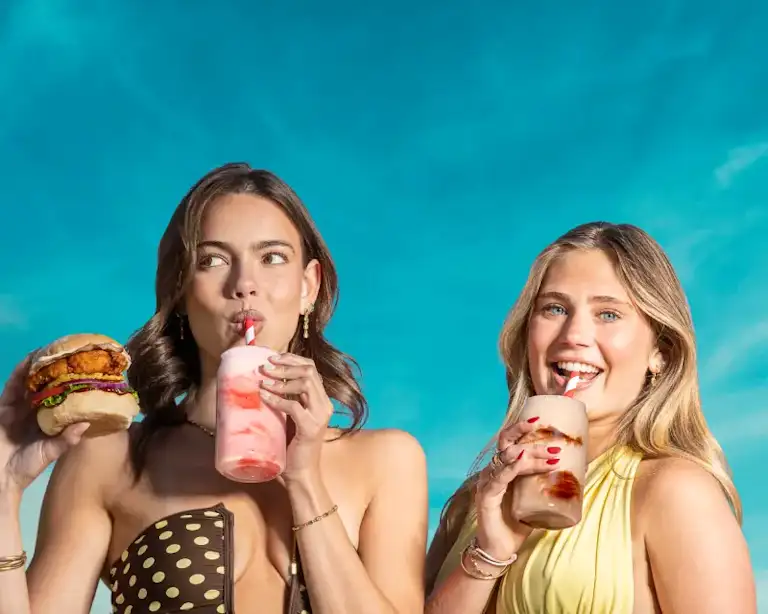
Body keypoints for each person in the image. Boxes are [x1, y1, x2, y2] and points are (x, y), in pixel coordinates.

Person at [0, 163, 428, 614]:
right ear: (182, 293)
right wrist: (5, 492)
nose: (244, 285)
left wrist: (305, 482)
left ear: (308, 286)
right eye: (212, 261)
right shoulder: (108, 458)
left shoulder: (387, 461)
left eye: (272, 257)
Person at [424, 222, 757, 614]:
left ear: (661, 353)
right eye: (555, 308)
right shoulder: (472, 501)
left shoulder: (677, 492)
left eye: (608, 314)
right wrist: (491, 552)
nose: (574, 334)